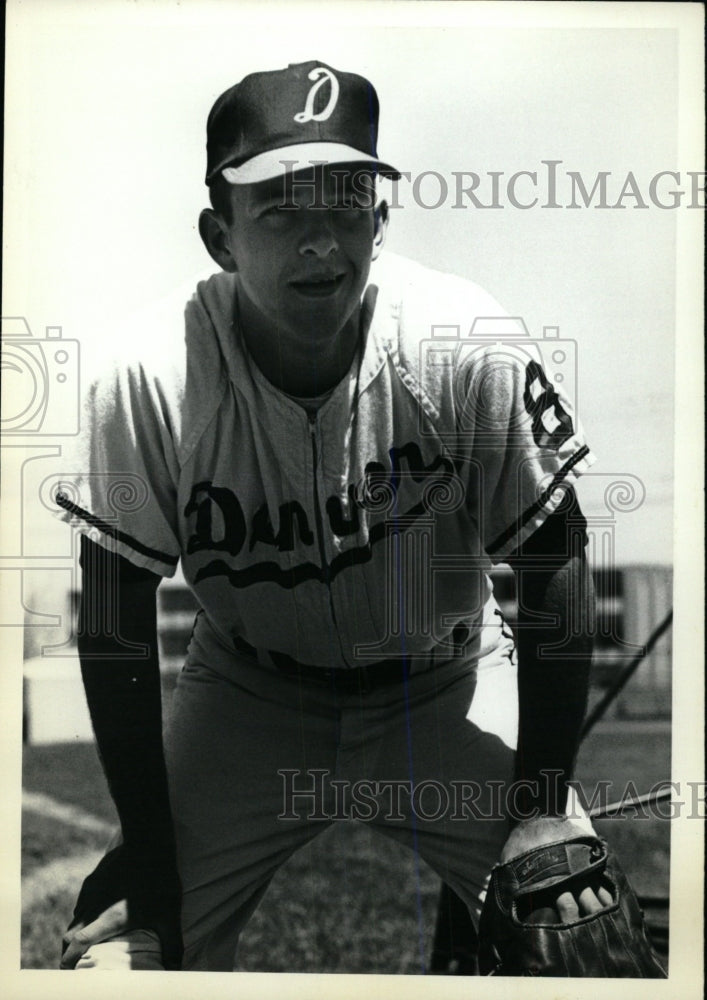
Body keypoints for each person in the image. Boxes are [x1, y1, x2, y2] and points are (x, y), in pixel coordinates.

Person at [56, 60, 602, 973]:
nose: (322, 243)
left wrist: (540, 808)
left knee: (580, 936)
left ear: (381, 221)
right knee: (117, 959)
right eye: (279, 208)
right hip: (247, 698)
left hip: (447, 681)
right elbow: (113, 614)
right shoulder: (150, 376)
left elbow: (556, 562)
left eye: (348, 203)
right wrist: (147, 847)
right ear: (218, 236)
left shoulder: (462, 347)